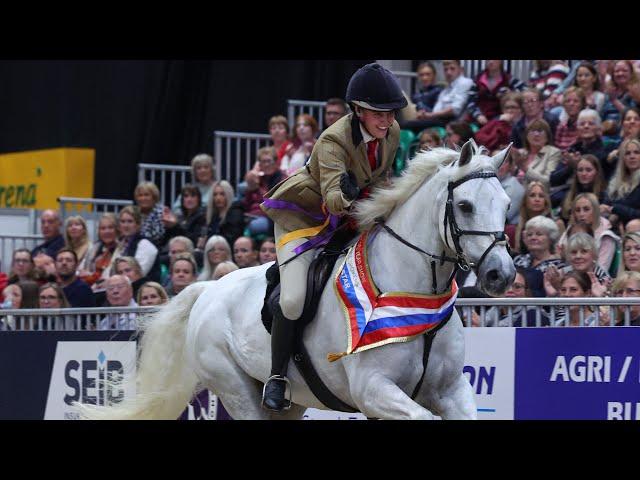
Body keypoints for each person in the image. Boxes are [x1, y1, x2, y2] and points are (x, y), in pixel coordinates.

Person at [259, 62, 405, 411]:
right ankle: (277, 376)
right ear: (357, 110)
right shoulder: (332, 140)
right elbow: (334, 201)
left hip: (353, 215)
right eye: (377, 114)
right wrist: (351, 191)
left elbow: (383, 179)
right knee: (293, 299)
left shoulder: (393, 132)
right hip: (304, 217)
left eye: (390, 113)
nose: (386, 121)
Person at [401, 60, 473, 133]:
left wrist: (429, 115)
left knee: (403, 124)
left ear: (460, 69)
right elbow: (436, 110)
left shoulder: (464, 82)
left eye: (452, 68)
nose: (448, 72)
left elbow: (455, 110)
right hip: (436, 119)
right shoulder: (446, 90)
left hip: (451, 122)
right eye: (446, 69)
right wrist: (425, 114)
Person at [557, 193, 619, 271]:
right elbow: (559, 254)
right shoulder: (571, 228)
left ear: (596, 211)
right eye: (577, 210)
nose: (581, 214)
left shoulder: (606, 237)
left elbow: (602, 269)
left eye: (586, 209)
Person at [465, 59, 525, 126]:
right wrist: (477, 115)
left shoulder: (509, 79)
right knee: (463, 132)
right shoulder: (477, 79)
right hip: (478, 120)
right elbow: (470, 102)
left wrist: (511, 94)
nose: (490, 62)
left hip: (501, 120)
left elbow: (526, 92)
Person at [483, 269, 549, 327]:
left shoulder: (534, 314)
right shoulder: (493, 311)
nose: (510, 290)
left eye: (517, 287)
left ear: (526, 292)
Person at [514, 181, 564, 255]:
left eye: (541, 196)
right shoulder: (521, 225)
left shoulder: (557, 224)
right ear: (525, 200)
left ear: (546, 201)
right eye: (532, 195)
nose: (537, 199)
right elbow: (518, 252)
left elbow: (561, 254)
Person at [112, 206, 160, 282]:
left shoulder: (146, 245)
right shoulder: (121, 244)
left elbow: (137, 276)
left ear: (138, 224)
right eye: (123, 221)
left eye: (130, 221)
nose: (126, 225)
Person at [243, 147, 283, 237]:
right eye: (263, 162)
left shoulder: (281, 178)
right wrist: (251, 187)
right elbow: (247, 203)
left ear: (276, 162)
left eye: (269, 161)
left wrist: (259, 190)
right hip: (252, 215)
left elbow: (272, 203)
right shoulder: (258, 178)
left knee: (254, 226)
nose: (266, 164)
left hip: (270, 217)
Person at [512, 119, 561, 187]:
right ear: (526, 136)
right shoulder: (520, 153)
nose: (536, 134)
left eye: (540, 131)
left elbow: (548, 181)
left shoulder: (553, 153)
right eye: (532, 131)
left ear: (547, 137)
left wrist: (525, 169)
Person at [602, 139, 640, 226]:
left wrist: (615, 209)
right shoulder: (614, 181)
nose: (632, 156)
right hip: (613, 226)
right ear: (623, 158)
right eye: (627, 153)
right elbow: (606, 204)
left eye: (636, 152)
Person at [78, 213, 118, 289]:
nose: (107, 231)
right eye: (103, 228)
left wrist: (91, 275)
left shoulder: (121, 249)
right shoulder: (94, 248)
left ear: (117, 229)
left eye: (110, 227)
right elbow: (82, 271)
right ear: (99, 231)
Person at [202, 180, 245, 250]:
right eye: (215, 194)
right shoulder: (213, 216)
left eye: (222, 194)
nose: (218, 198)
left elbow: (232, 238)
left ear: (228, 194)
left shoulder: (235, 212)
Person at [601, 60, 640, 135]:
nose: (620, 73)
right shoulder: (609, 92)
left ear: (631, 73)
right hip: (606, 132)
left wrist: (614, 101)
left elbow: (632, 115)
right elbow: (602, 115)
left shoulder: (636, 92)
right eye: (617, 71)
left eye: (624, 71)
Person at [553, 87, 586, 152]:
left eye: (576, 101)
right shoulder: (561, 126)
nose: (571, 104)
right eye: (568, 101)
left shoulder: (585, 126)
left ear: (582, 104)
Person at [134, 181, 166, 247]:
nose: (143, 198)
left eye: (146, 195)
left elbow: (157, 238)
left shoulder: (160, 212)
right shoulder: (135, 212)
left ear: (154, 197)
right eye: (140, 195)